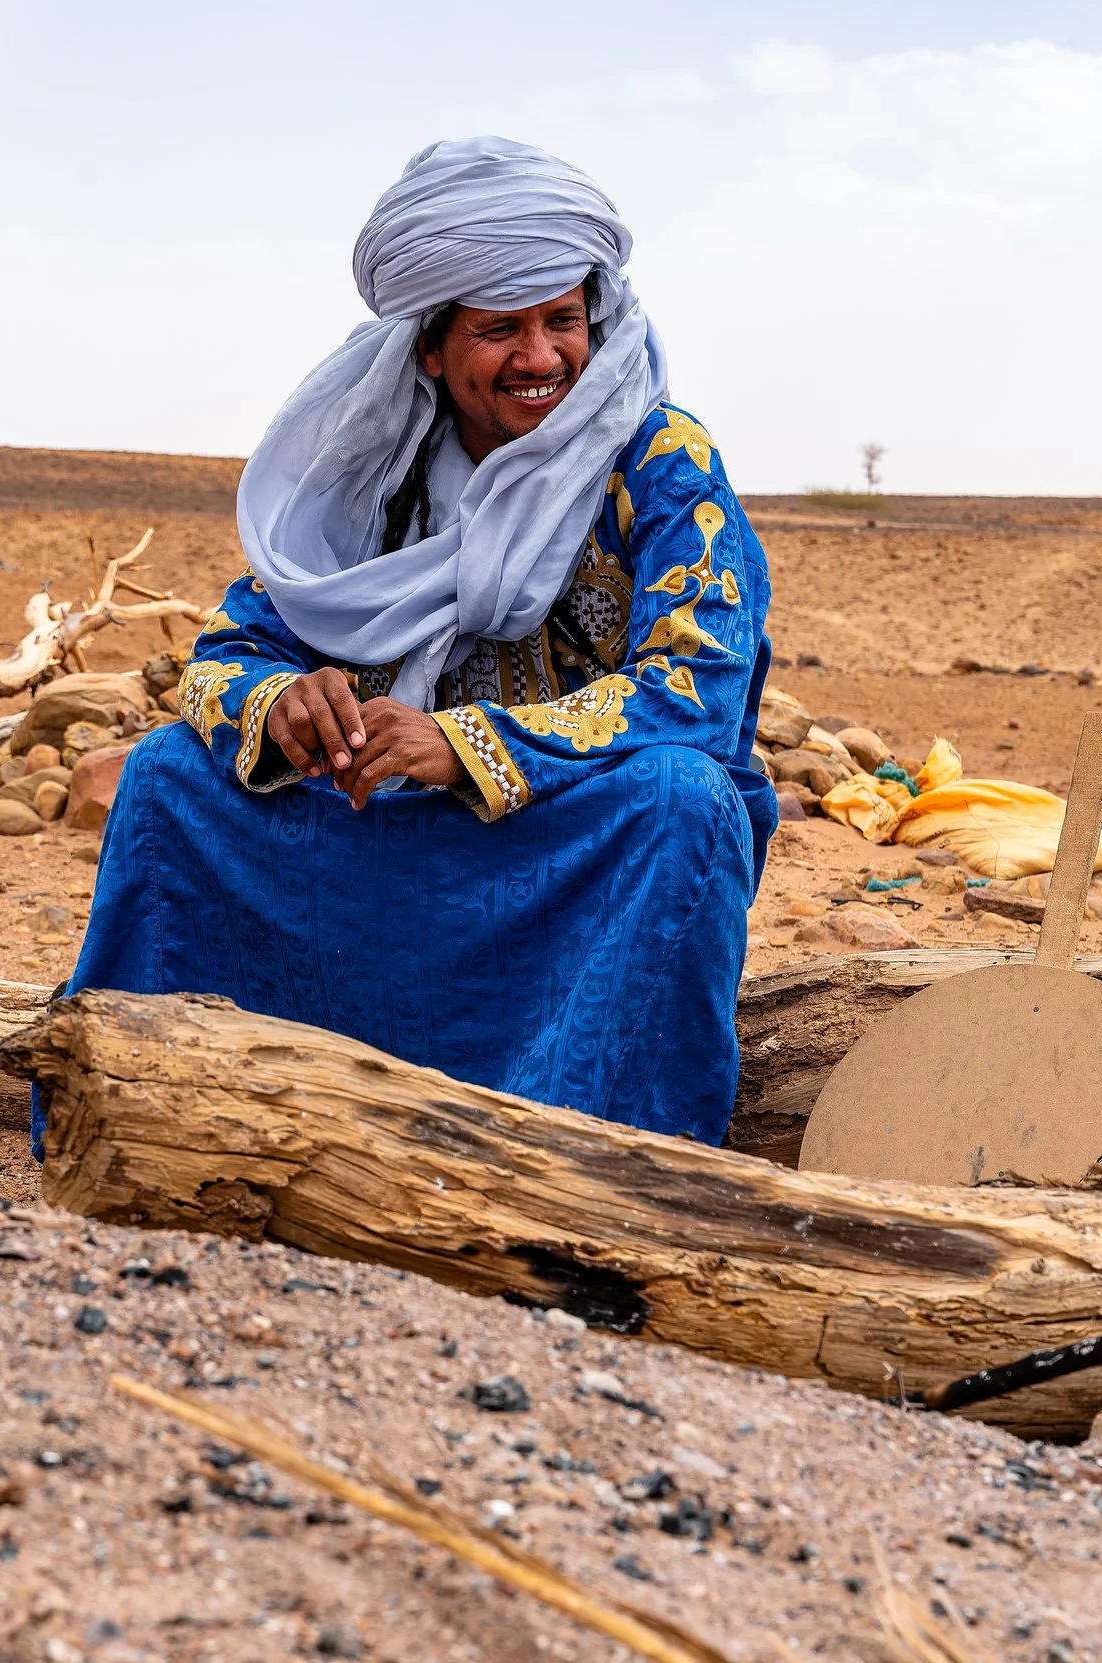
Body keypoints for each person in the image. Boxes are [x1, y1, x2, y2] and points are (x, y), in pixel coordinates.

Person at [42, 137, 776, 1157]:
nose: (541, 357)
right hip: (385, 847)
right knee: (169, 775)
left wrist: (469, 744)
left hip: (566, 855)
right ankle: (155, 1105)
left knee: (683, 802)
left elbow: (698, 692)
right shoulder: (371, 473)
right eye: (500, 329)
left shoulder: (661, 460)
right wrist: (279, 705)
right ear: (431, 345)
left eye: (562, 319)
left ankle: (601, 1160)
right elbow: (221, 657)